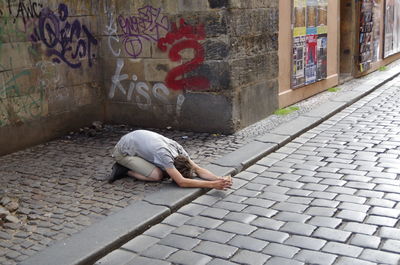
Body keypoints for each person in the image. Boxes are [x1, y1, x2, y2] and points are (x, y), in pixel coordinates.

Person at [108, 129, 232, 190]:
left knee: (158, 170)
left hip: (136, 139)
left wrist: (219, 179)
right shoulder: (165, 157)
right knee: (157, 175)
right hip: (122, 151)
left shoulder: (180, 152)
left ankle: (137, 163)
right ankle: (124, 169)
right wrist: (212, 185)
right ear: (172, 169)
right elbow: (182, 182)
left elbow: (198, 169)